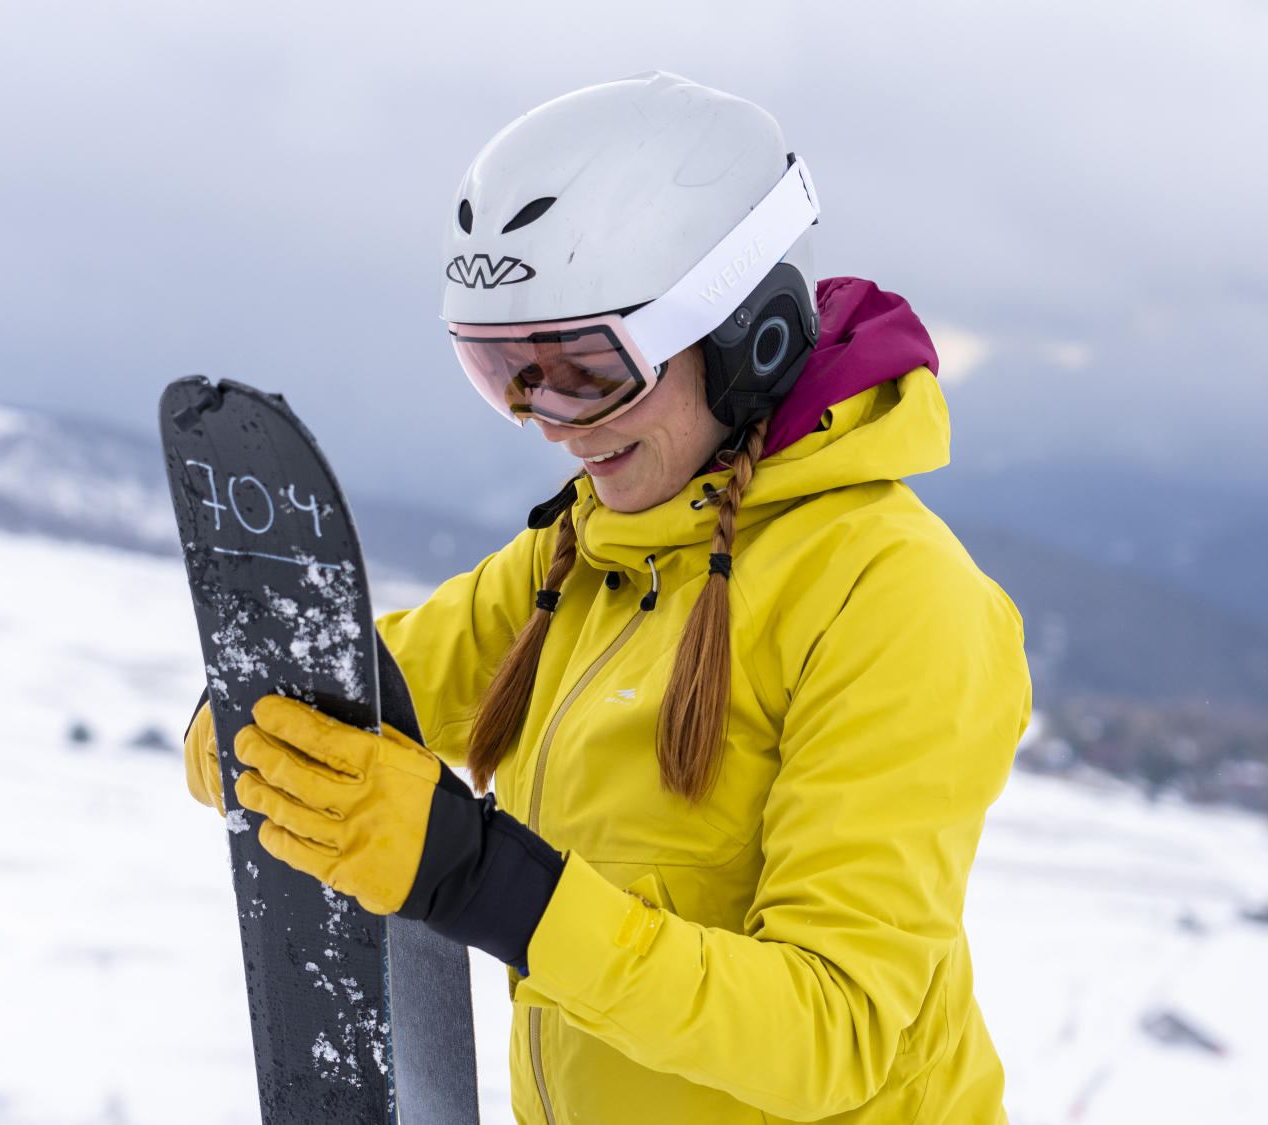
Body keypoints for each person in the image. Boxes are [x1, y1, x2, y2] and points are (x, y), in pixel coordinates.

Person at [184, 71, 1031, 1124]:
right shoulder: (579, 557)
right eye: (503, 369)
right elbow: (353, 696)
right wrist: (251, 726)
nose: (548, 418)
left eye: (585, 369)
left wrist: (483, 883)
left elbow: (834, 1032)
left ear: (748, 336)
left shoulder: (894, 597)